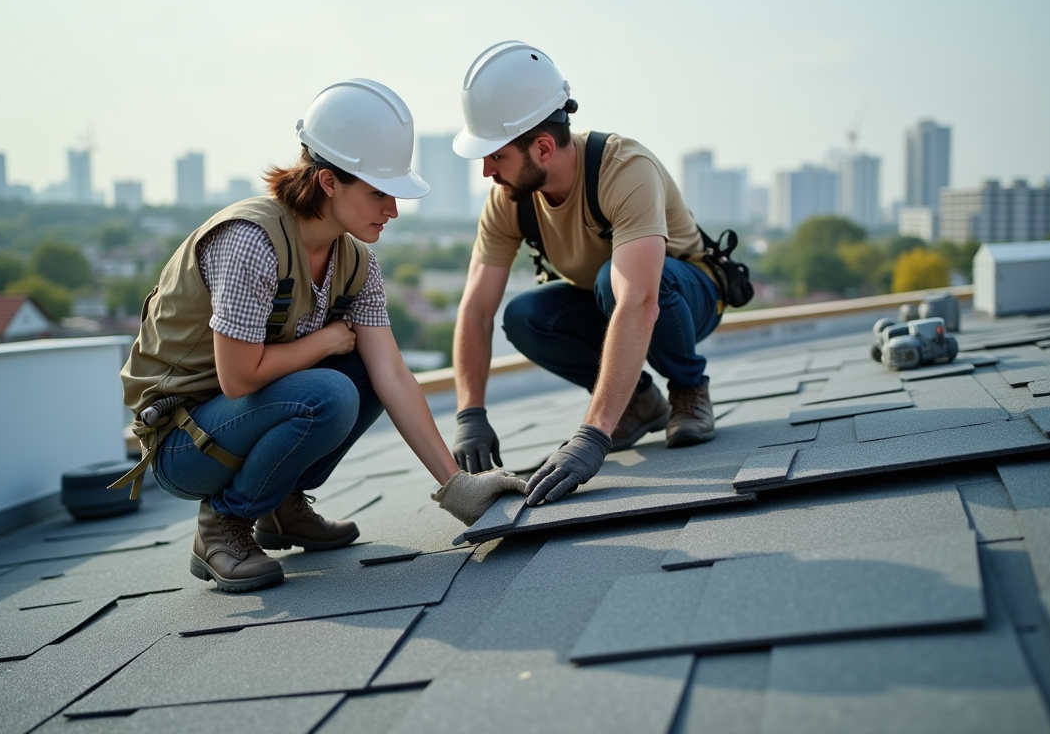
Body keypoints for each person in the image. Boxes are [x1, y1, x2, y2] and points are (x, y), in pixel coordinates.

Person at [116, 79, 526, 592]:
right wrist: (326, 342)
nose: (393, 210)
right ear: (329, 182)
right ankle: (223, 525)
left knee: (366, 377)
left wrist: (456, 485)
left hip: (241, 423)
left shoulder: (356, 263)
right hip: (185, 445)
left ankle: (279, 504)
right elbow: (239, 378)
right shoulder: (250, 243)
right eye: (379, 192)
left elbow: (394, 376)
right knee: (330, 391)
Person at [450, 41, 724, 506]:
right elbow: (477, 310)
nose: (486, 171)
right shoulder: (509, 199)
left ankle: (688, 390)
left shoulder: (624, 169)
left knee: (611, 284)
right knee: (526, 314)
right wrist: (469, 413)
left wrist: (593, 435)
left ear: (541, 147)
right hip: (612, 305)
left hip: (683, 298)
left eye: (496, 156)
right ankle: (638, 402)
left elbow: (639, 299)